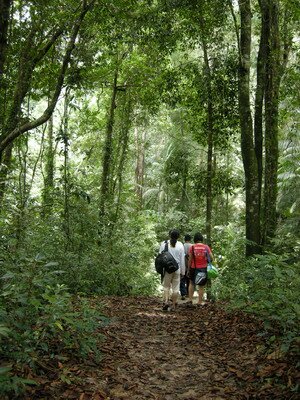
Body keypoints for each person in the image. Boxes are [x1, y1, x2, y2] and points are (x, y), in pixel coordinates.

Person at [159, 229, 185, 311]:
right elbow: (182, 260)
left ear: (170, 235)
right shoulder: (180, 245)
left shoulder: (164, 244)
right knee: (176, 288)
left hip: (167, 269)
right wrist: (183, 272)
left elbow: (160, 256)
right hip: (177, 269)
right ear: (178, 237)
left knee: (166, 286)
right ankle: (173, 305)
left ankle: (166, 302)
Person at [187, 232, 214, 306]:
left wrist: (188, 268)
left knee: (192, 283)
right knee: (201, 285)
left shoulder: (192, 247)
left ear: (195, 239)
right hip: (203, 268)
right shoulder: (206, 247)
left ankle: (190, 300)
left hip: (193, 267)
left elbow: (190, 260)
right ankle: (199, 302)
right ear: (201, 239)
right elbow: (211, 258)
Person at [180, 234, 192, 300]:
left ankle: (183, 293)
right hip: (190, 265)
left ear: (185, 239)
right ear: (190, 239)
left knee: (182, 279)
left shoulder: (182, 245)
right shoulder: (192, 246)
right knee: (189, 280)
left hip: (183, 264)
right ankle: (188, 293)